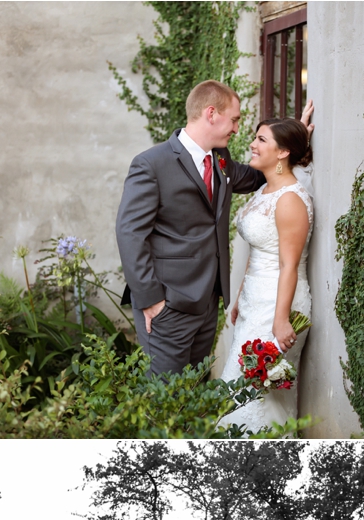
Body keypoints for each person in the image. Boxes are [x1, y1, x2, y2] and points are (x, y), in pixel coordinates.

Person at [116, 80, 264, 375]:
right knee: (164, 399)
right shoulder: (151, 164)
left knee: (194, 393)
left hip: (208, 302)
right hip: (167, 304)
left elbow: (257, 178)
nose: (236, 128)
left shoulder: (221, 160)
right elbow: (130, 233)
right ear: (211, 113)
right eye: (234, 119)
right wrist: (152, 301)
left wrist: (291, 144)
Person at [218, 114, 314, 433]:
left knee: (259, 396)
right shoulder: (264, 191)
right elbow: (258, 251)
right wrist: (239, 299)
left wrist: (281, 319)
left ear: (283, 152)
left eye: (262, 140)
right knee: (241, 391)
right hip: (252, 303)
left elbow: (289, 264)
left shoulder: (289, 200)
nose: (252, 144)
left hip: (278, 306)